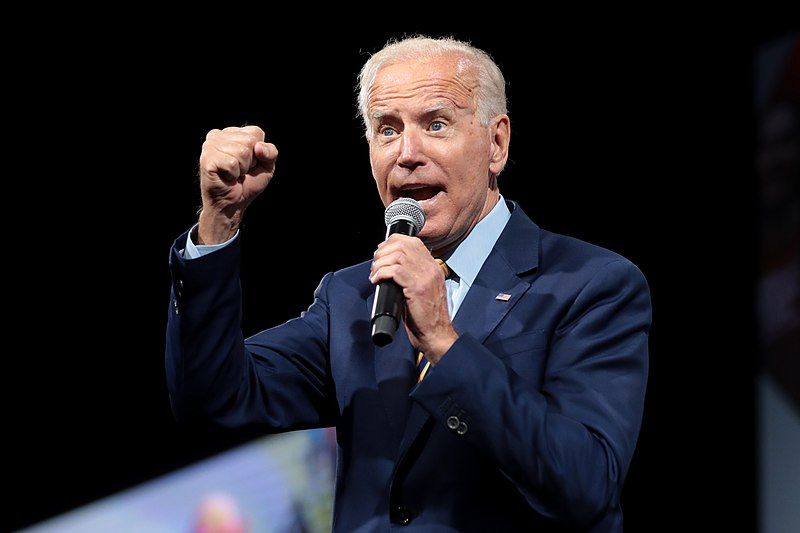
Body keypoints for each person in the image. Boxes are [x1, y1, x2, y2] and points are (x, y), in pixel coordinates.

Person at [166, 36, 651, 532]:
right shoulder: (351, 296)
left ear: (496, 143)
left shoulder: (592, 285)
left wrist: (444, 342)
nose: (407, 153)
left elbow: (588, 486)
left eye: (436, 124)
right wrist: (218, 221)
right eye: (387, 130)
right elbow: (213, 404)